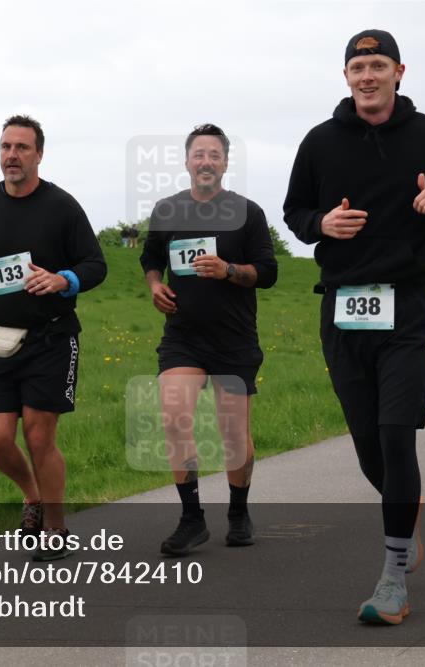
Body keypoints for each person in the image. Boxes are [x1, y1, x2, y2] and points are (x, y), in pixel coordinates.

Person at [283, 30, 425, 624]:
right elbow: (295, 213)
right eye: (356, 66)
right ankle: (406, 515)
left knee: (397, 435)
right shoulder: (319, 142)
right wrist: (324, 222)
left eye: (377, 65)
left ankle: (393, 576)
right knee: (370, 446)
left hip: (408, 306)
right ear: (345, 76)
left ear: (399, 71)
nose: (366, 75)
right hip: (343, 308)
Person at [0, 114, 107, 562]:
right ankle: (31, 496)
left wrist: (63, 280)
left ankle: (55, 529)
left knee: (39, 437)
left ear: (39, 154)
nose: (11, 155)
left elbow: (97, 264)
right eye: (5, 147)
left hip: (51, 339)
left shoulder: (62, 207)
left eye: (21, 147)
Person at [141, 124, 278, 556]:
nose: (206, 162)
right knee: (173, 416)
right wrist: (155, 285)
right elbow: (150, 257)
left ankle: (238, 512)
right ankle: (191, 518)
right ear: (186, 162)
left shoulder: (247, 213)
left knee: (233, 435)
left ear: (225, 162)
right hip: (183, 336)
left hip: (234, 339)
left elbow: (268, 272)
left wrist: (229, 271)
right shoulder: (167, 211)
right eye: (198, 154)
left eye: (214, 155)